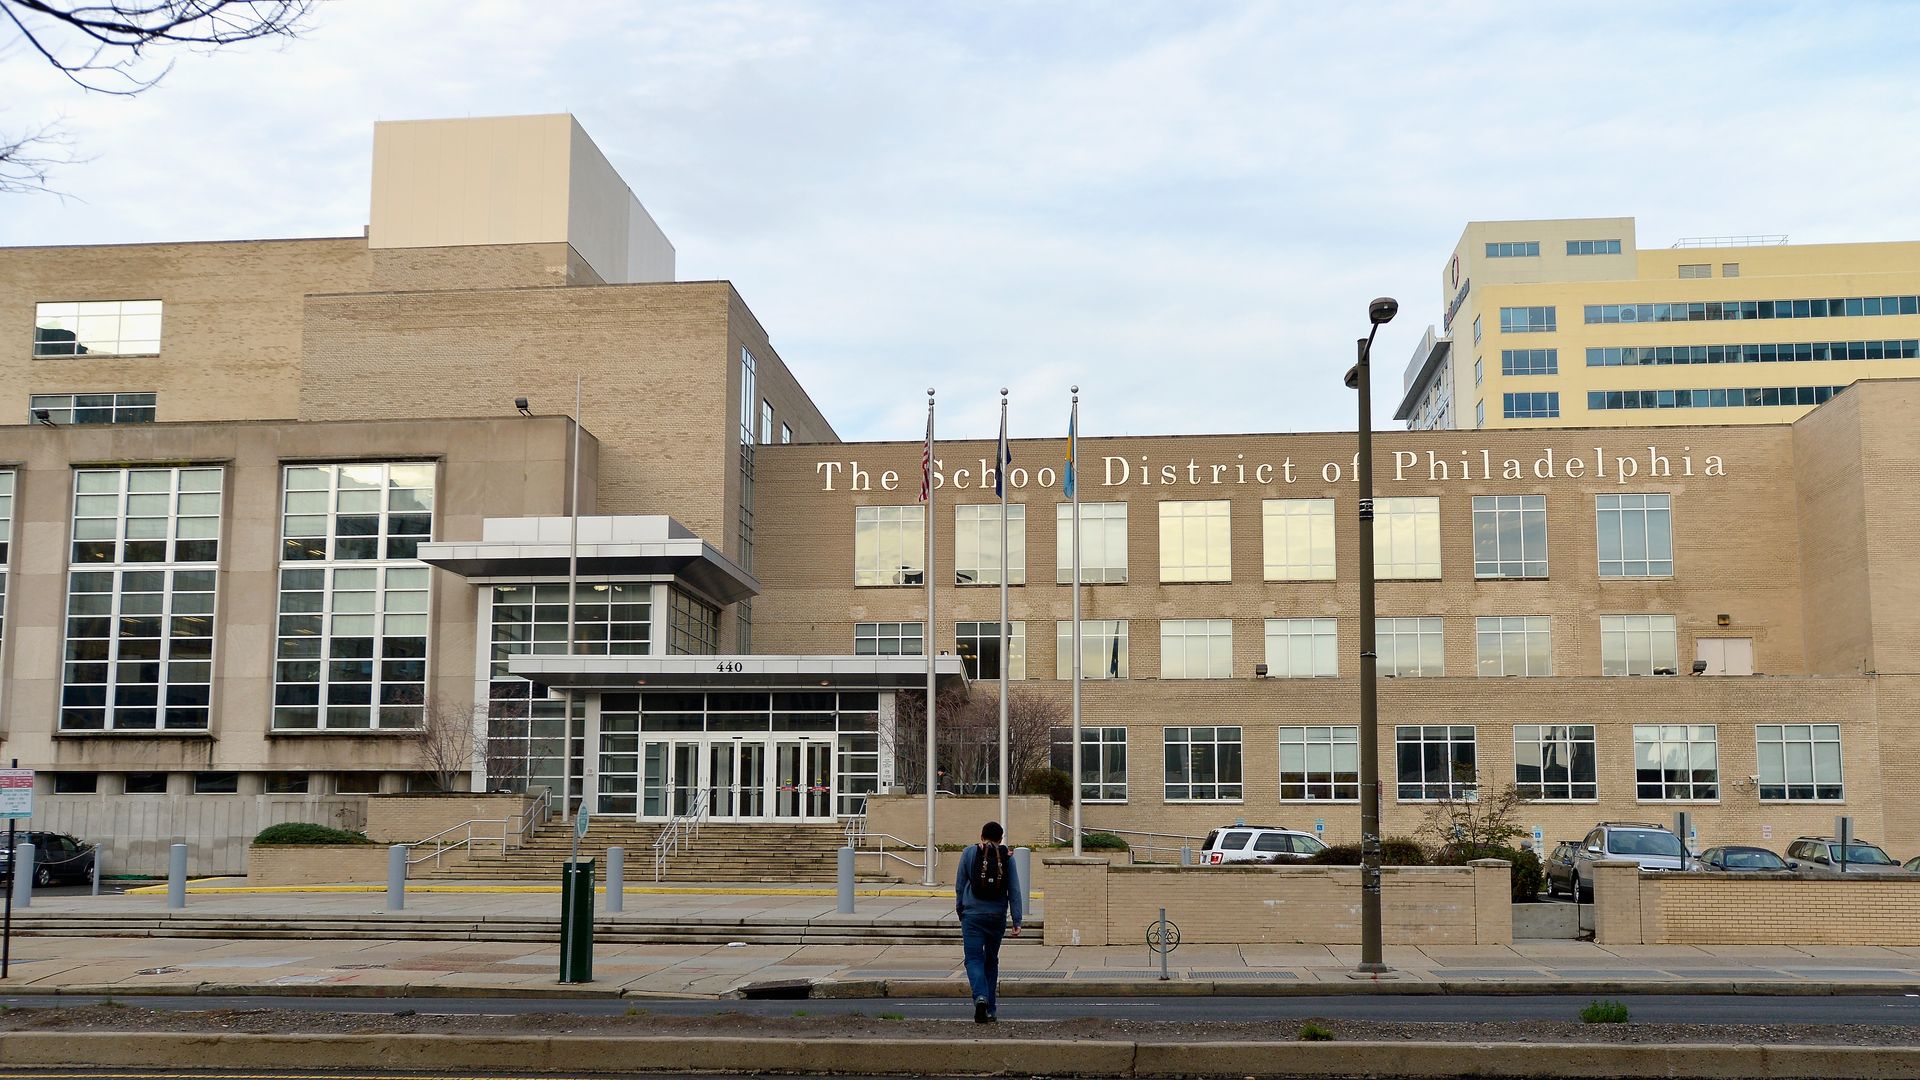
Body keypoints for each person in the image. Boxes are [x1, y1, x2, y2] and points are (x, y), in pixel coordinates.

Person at [954, 820, 1023, 1023]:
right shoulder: (1006, 856)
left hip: (972, 915)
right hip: (996, 917)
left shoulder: (968, 853)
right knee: (991, 961)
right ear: (1001, 838)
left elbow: (960, 885)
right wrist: (1016, 919)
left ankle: (980, 997)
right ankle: (991, 1009)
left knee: (974, 959)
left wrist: (961, 909)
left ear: (981, 836)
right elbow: (1015, 890)